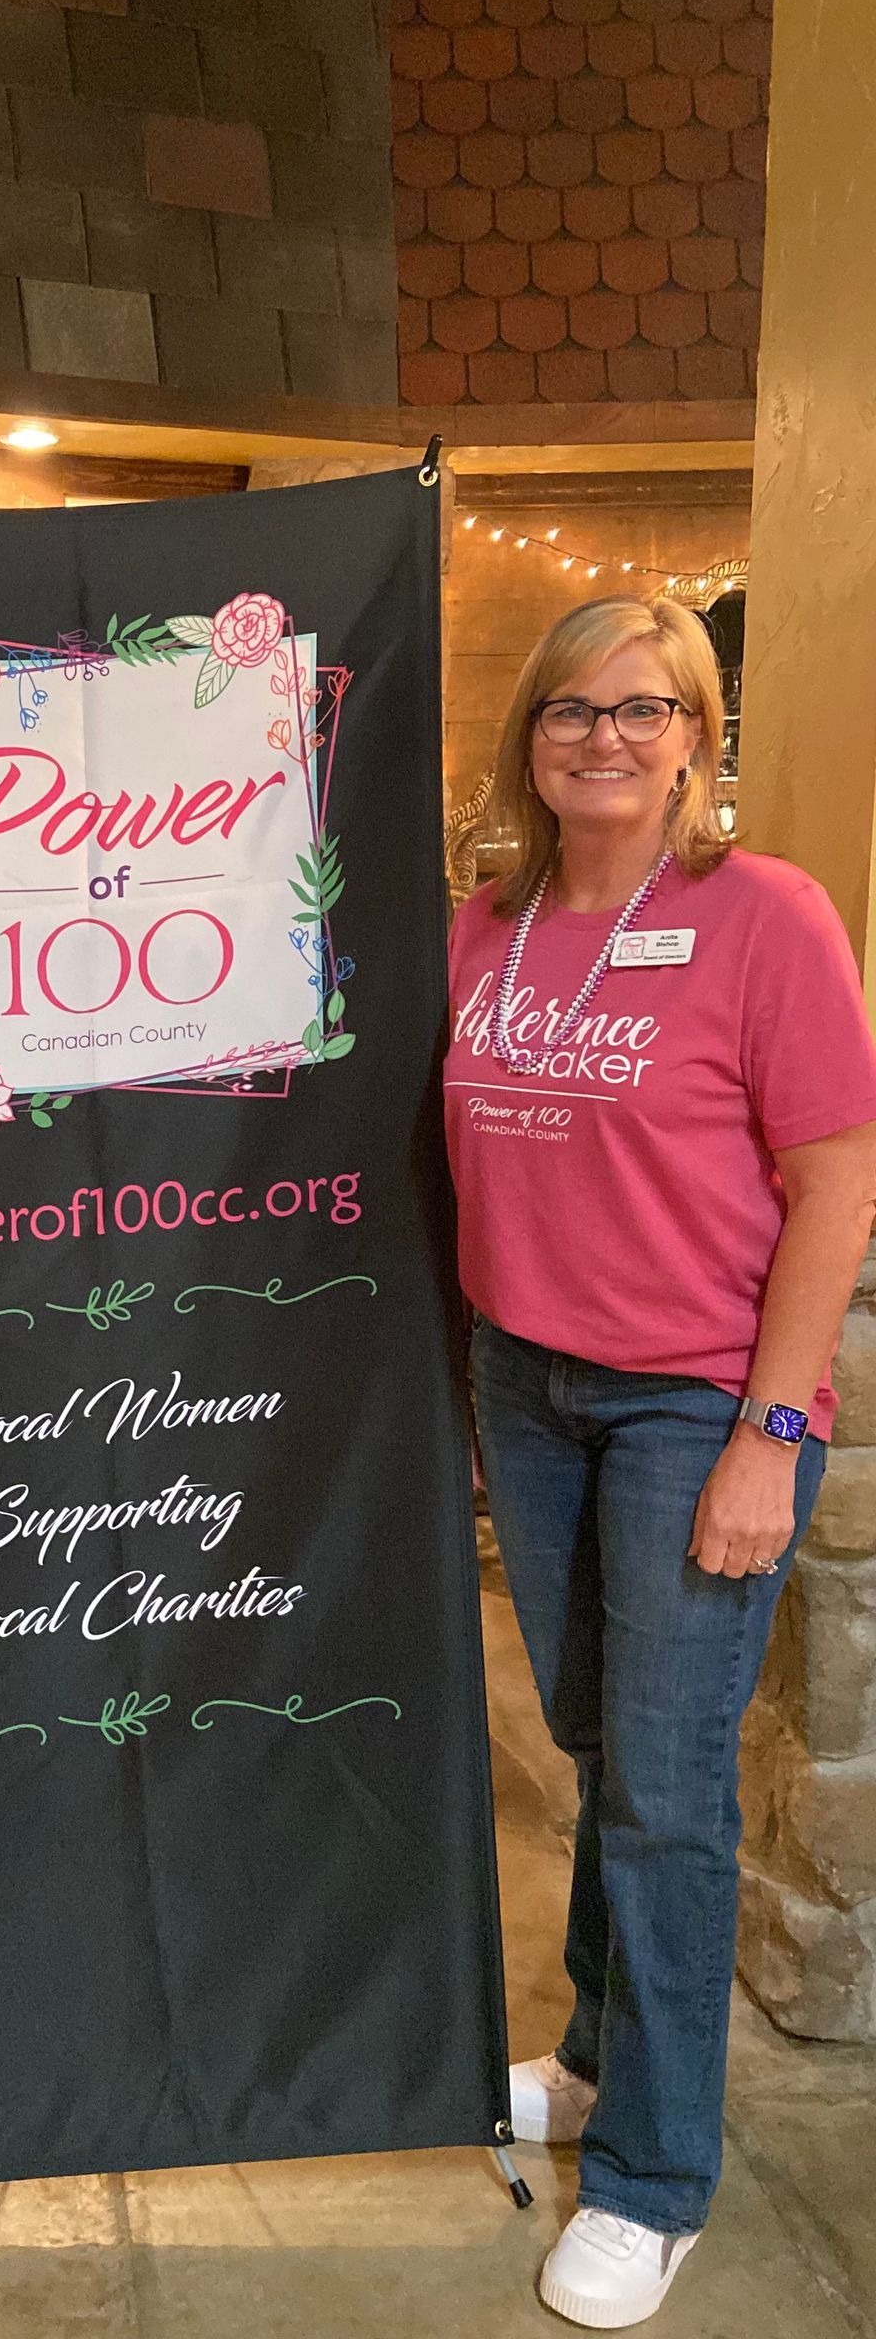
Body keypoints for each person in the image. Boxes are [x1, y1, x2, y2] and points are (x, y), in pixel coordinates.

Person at [446, 595, 876, 2329]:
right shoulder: (492, 924)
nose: (603, 738)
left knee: (670, 1797)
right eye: (571, 709)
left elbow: (838, 1186)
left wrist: (773, 1432)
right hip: (526, 1387)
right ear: (529, 738)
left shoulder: (765, 916)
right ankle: (600, 2056)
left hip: (693, 1402)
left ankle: (656, 2179)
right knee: (597, 1743)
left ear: (698, 735)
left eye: (644, 709)